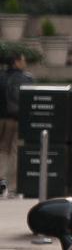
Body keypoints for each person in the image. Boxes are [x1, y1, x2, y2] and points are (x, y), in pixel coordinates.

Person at [0, 51, 34, 196]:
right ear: (16, 62)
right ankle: (12, 186)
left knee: (2, 151)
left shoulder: (1, 77)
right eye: (23, 60)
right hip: (16, 120)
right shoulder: (25, 78)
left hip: (1, 119)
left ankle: (1, 181)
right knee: (14, 151)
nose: (24, 63)